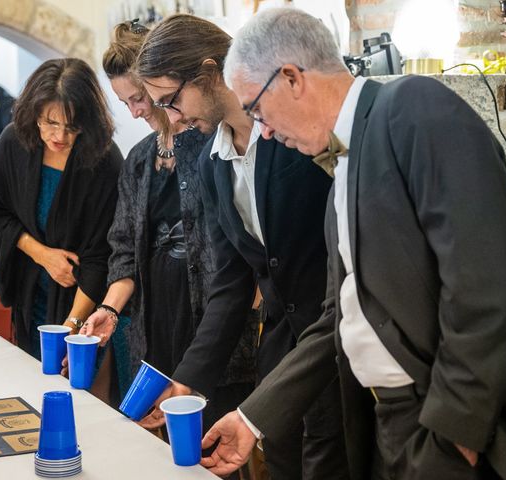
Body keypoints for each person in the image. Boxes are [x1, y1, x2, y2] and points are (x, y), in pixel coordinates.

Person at [202, 7, 506, 480]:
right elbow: (338, 318)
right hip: (383, 422)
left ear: (291, 77)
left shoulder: (413, 107)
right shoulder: (344, 161)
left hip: (445, 420)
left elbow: (487, 282)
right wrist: (254, 418)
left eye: (258, 110)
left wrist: (456, 434)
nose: (263, 130)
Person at [135, 14, 347, 480]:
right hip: (278, 360)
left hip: (341, 349)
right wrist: (186, 382)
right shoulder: (213, 163)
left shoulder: (295, 128)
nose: (172, 118)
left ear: (210, 72)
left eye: (171, 101)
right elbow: (230, 286)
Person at [82, 20, 258, 444]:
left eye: (140, 98)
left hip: (212, 317)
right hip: (154, 317)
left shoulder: (217, 142)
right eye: (124, 102)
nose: (135, 111)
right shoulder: (140, 159)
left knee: (213, 442)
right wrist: (107, 309)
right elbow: (123, 250)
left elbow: (236, 250)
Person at [0, 59, 123, 401]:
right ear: (34, 113)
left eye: (72, 126)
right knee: (34, 393)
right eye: (50, 123)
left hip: (86, 300)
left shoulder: (105, 161)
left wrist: (71, 327)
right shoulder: (14, 143)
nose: (59, 136)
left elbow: (103, 255)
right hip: (30, 292)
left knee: (86, 398)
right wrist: (43, 255)